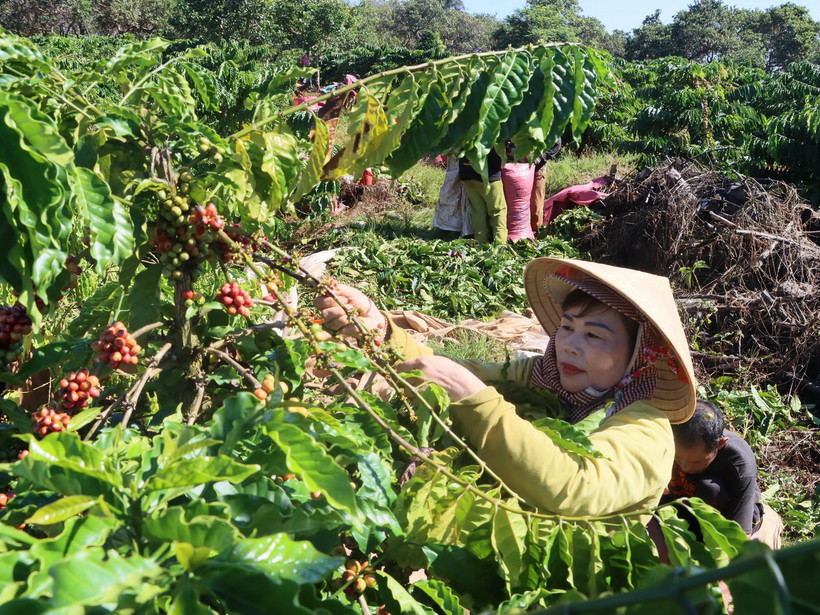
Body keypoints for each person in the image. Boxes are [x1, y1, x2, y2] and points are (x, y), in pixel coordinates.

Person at [315, 258, 697, 518]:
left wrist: (475, 400)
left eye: (594, 335)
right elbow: (469, 372)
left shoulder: (645, 428)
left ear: (639, 356)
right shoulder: (543, 377)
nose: (569, 346)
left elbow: (577, 485)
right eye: (566, 328)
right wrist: (383, 330)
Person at [661, 399, 783, 548]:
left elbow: (740, 537)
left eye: (696, 463)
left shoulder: (740, 464)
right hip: (683, 504)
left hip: (723, 515)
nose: (685, 468)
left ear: (720, 444)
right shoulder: (667, 439)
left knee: (710, 489)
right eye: (679, 459)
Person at [458, 148, 507, 244]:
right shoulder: (488, 132)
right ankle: (500, 244)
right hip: (487, 175)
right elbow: (495, 154)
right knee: (497, 210)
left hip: (466, 171)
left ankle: (481, 242)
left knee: (477, 210)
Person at [530, 138, 562, 233]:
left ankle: (536, 231)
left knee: (536, 203)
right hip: (518, 168)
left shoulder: (547, 124)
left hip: (537, 168)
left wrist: (542, 157)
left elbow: (557, 143)